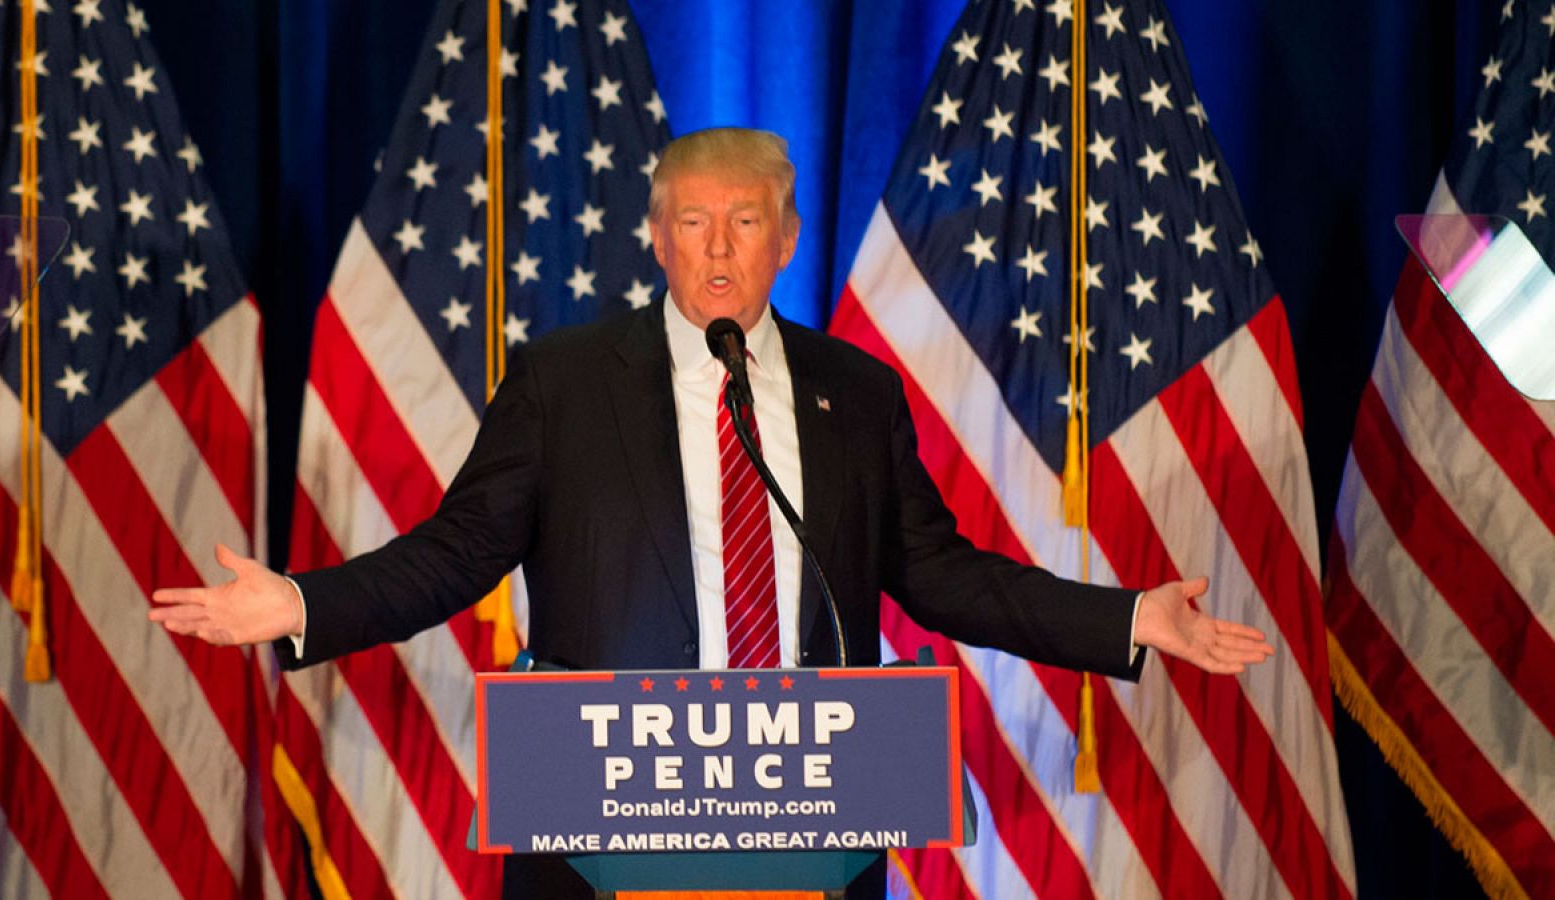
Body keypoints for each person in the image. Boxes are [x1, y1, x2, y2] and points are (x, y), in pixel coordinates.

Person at [152, 127, 1271, 896]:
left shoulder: (856, 394)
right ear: (656, 238)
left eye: (746, 220)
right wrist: (300, 603)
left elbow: (939, 572)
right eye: (693, 222)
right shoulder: (565, 383)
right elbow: (456, 553)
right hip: (605, 831)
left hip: (809, 817)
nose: (719, 246)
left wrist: (1126, 621)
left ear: (787, 238)